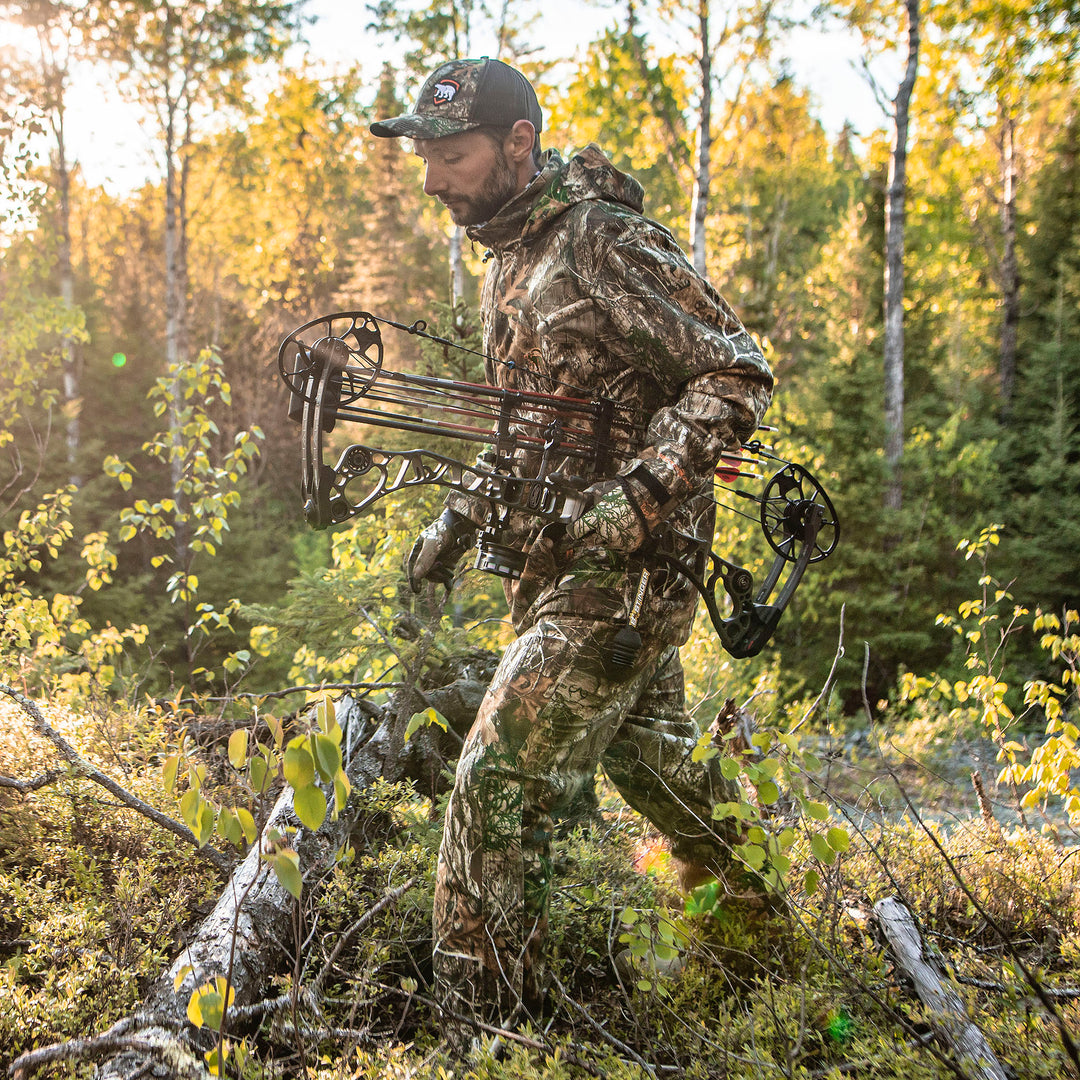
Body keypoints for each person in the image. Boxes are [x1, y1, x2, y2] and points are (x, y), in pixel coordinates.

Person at [370, 57, 774, 1052]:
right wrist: (457, 522)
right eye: (425, 156)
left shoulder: (604, 244)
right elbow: (525, 433)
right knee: (673, 786)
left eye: (452, 155)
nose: (433, 180)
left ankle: (495, 1042)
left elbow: (736, 373)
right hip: (554, 577)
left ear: (517, 145)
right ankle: (778, 967)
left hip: (623, 584)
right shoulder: (510, 260)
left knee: (495, 788)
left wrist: (632, 502)